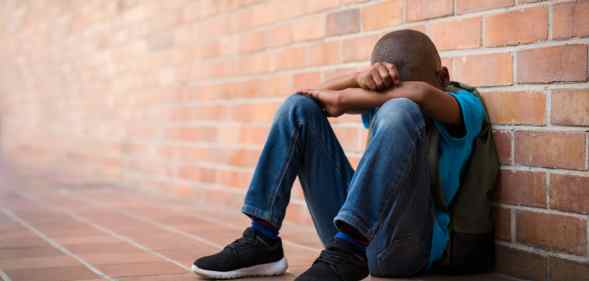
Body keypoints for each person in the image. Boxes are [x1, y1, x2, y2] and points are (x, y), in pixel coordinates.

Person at [191, 29, 488, 280]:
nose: (387, 99)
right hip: (351, 242)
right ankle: (262, 237)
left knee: (401, 109)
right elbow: (308, 97)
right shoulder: (382, 102)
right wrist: (356, 78)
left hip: (409, 248)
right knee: (299, 108)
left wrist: (345, 99)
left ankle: (349, 250)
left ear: (444, 77)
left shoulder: (463, 105)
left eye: (398, 89)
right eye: (386, 91)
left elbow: (421, 94)